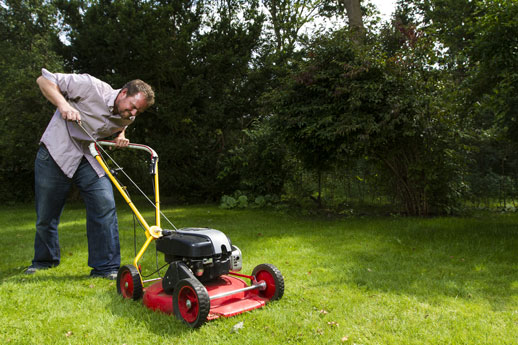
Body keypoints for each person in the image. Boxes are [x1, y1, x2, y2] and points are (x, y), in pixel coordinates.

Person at [26, 68, 155, 279]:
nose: (132, 114)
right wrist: (63, 105)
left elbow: (119, 124)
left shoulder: (127, 116)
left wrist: (121, 134)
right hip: (56, 152)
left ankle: (106, 268)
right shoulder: (90, 86)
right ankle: (43, 261)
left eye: (137, 112)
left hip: (87, 157)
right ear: (123, 93)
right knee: (46, 214)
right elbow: (44, 79)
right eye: (132, 107)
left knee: (104, 203)